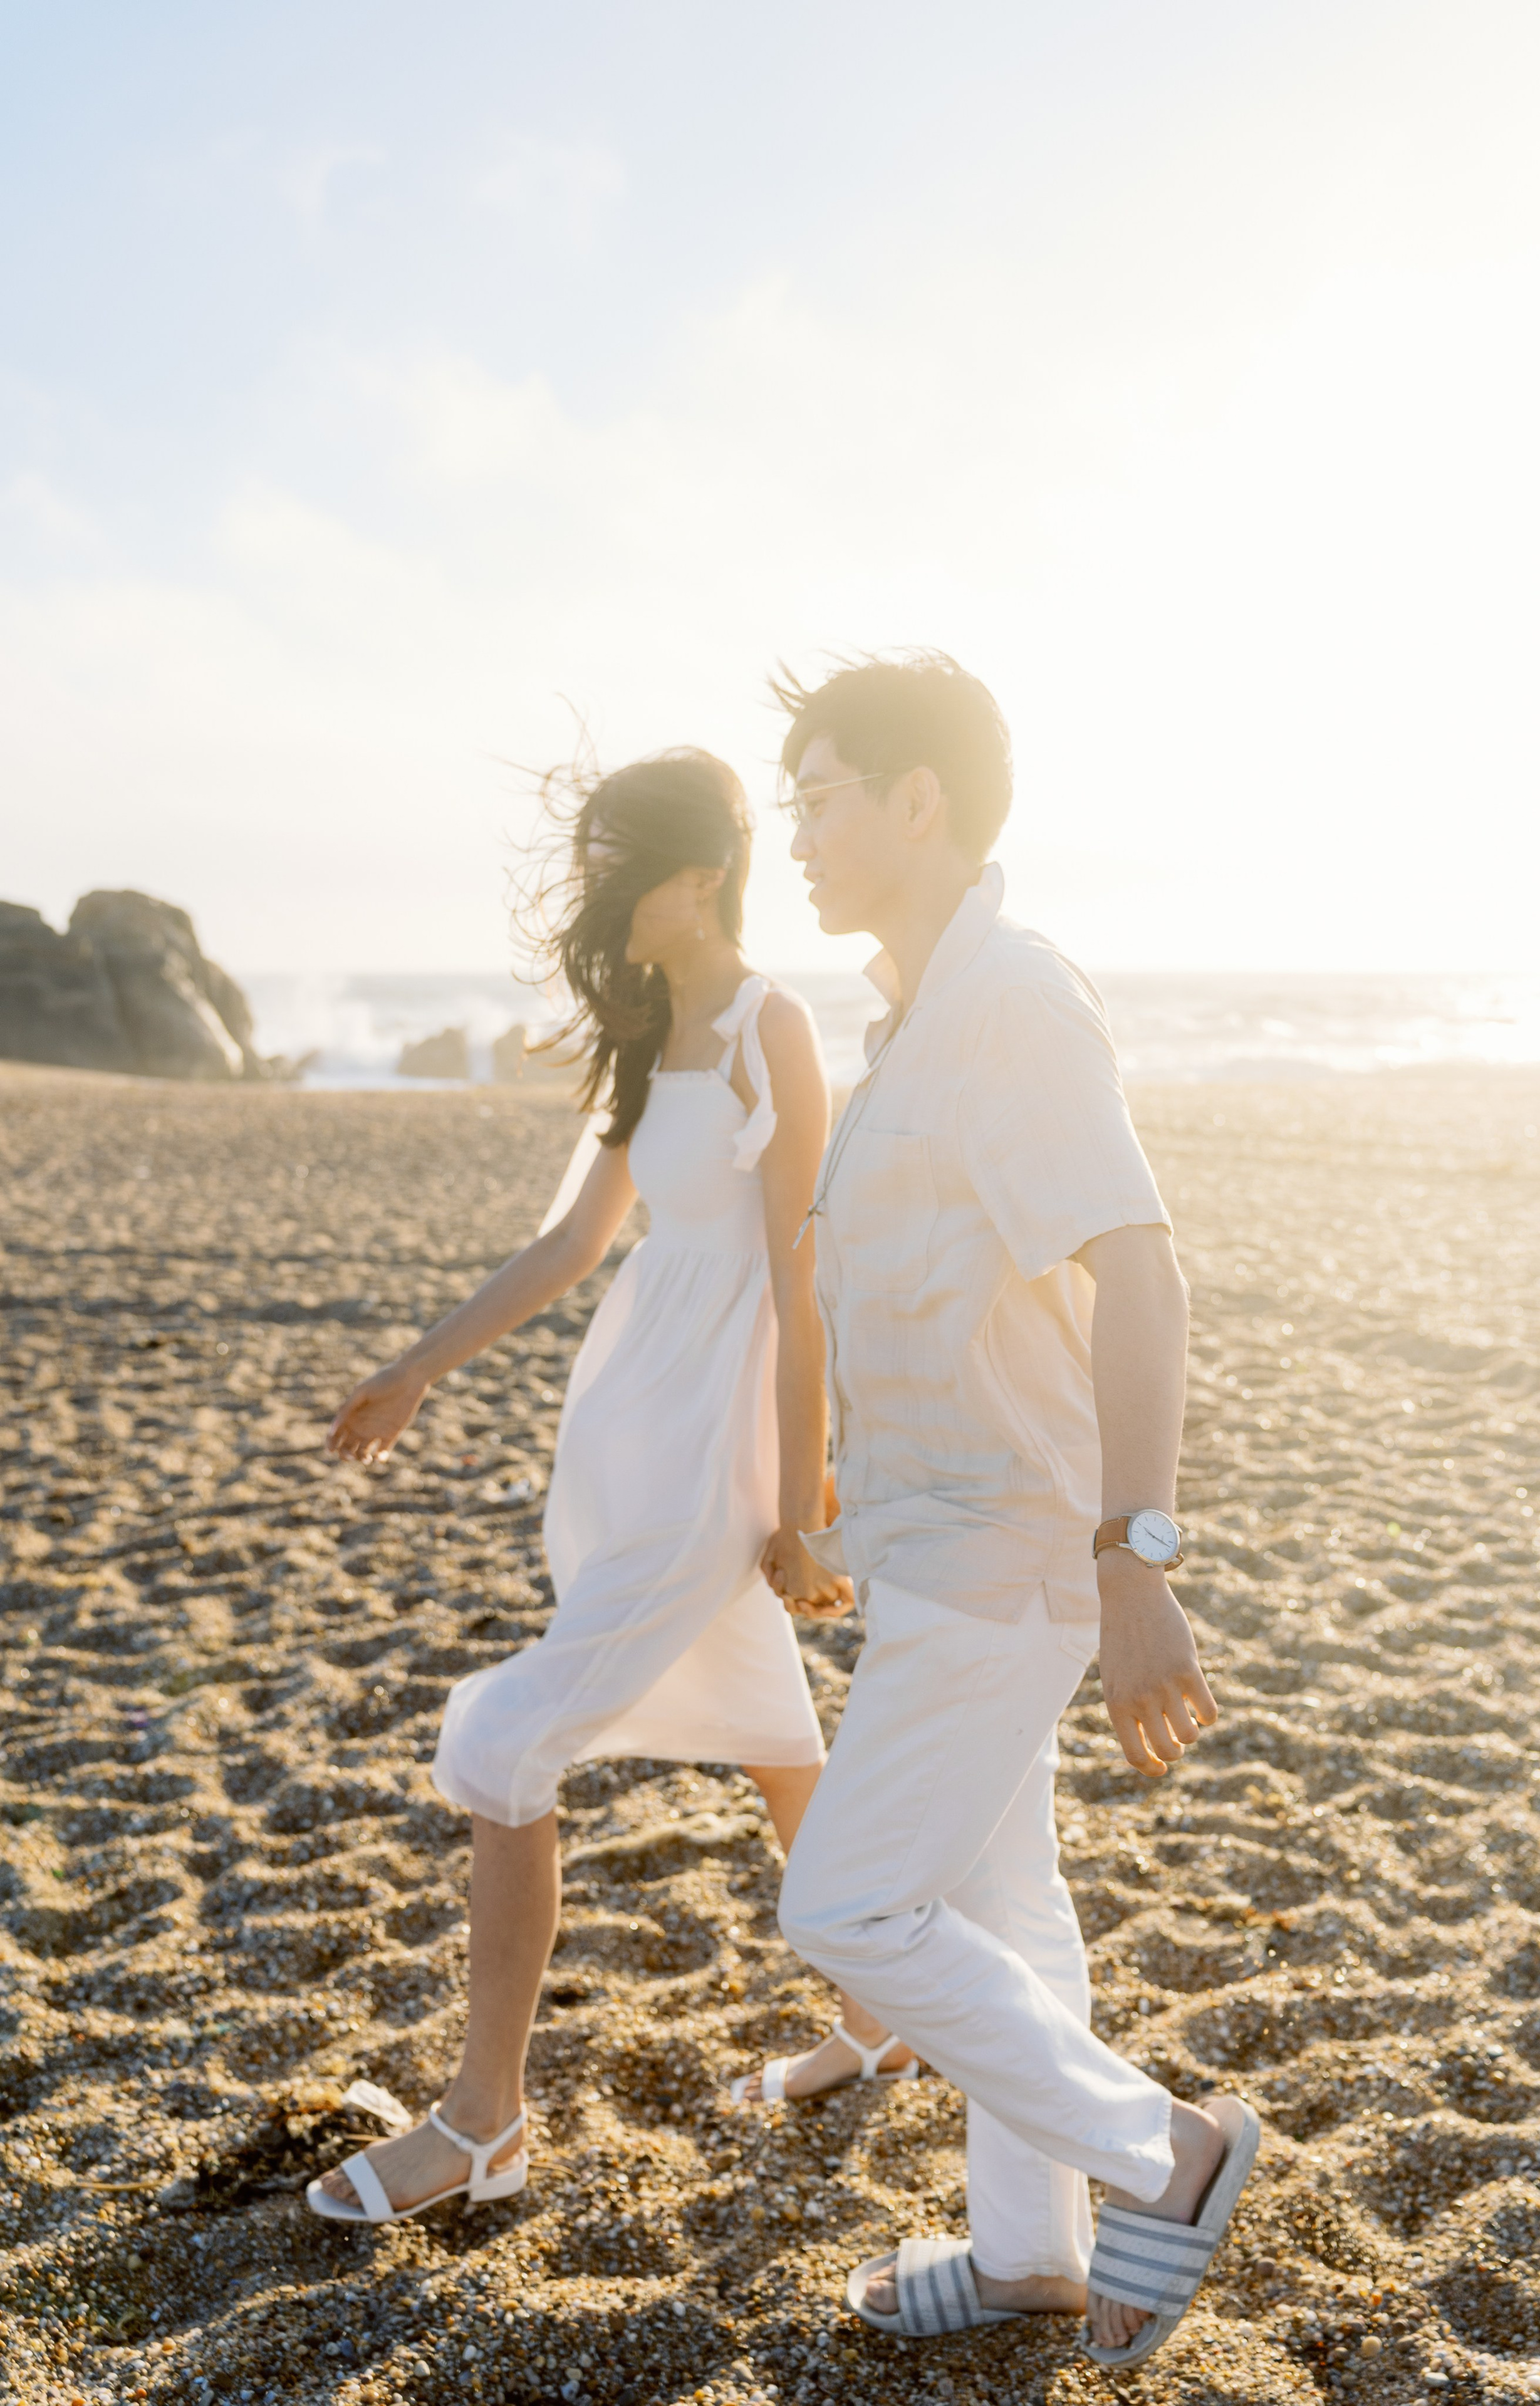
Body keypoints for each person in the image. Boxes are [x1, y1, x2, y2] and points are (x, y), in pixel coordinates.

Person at [305, 747, 913, 2227]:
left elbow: (800, 1278)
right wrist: (419, 1365)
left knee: (506, 1741)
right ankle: (885, 2008)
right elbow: (571, 1245)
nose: (597, 903)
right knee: (778, 1738)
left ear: (695, 877)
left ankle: (481, 2122)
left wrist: (797, 1501)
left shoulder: (778, 1029)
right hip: (626, 1429)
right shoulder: (651, 1035)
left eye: (613, 871)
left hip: (714, 1449)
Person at [769, 655, 1258, 2368]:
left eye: (822, 794)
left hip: (1011, 1550)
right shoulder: (909, 1024)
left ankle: (1168, 2155)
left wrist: (1141, 1554)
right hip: (931, 1543)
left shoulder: (1013, 1004)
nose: (799, 833)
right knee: (999, 1909)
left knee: (846, 1909)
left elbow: (1142, 1270)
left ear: (920, 802)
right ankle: (1029, 2254)